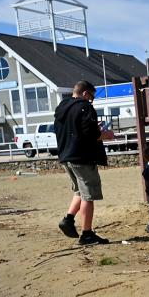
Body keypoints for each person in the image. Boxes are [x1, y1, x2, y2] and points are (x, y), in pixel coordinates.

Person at [56, 80, 109, 245]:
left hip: (66, 156)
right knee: (88, 195)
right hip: (82, 158)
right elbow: (89, 135)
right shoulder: (85, 107)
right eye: (91, 97)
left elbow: (75, 129)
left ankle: (68, 220)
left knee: (79, 191)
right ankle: (87, 234)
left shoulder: (62, 108)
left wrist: (94, 128)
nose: (91, 100)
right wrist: (106, 134)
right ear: (85, 93)